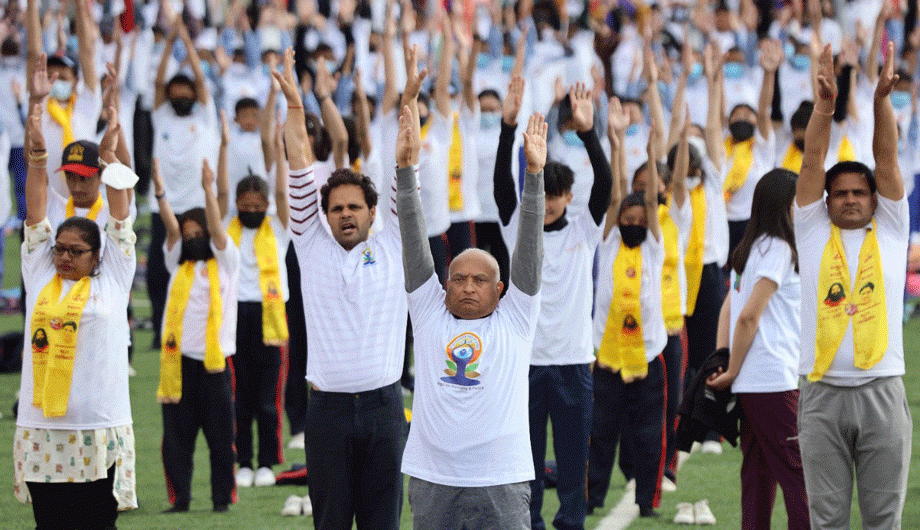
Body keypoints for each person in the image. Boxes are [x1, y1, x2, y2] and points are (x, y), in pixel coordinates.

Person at [398, 58, 548, 530]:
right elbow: (412, 237)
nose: (465, 286)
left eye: (479, 280)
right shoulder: (428, 314)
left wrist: (535, 176)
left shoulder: (516, 316)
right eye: (457, 279)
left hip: (501, 478)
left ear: (500, 290)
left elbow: (528, 251)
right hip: (432, 478)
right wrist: (406, 171)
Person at [274, 46, 407, 530]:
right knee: (330, 523)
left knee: (382, 524)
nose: (345, 214)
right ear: (323, 216)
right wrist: (294, 107)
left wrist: (407, 101)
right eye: (336, 208)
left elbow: (401, 171)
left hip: (385, 409)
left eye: (355, 206)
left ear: (373, 214)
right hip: (326, 413)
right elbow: (300, 168)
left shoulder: (393, 240)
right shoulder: (310, 244)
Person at [794, 43, 911, 529]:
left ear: (873, 198)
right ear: (825, 201)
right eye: (838, 193)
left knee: (883, 521)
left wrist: (882, 100)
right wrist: (823, 109)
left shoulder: (891, 226)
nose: (848, 200)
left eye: (858, 192)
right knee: (827, 521)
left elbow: (885, 155)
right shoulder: (812, 227)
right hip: (821, 395)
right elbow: (812, 159)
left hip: (882, 390)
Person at [15, 94, 137, 528]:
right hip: (43, 428)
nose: (65, 257)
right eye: (60, 250)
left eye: (76, 251)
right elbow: (34, 210)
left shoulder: (115, 275)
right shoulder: (39, 271)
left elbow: (121, 216)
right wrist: (37, 156)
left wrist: (109, 157)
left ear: (98, 255)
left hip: (98, 427)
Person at [494, 77, 611, 530]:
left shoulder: (585, 231)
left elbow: (605, 181)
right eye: (542, 194)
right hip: (524, 365)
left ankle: (571, 524)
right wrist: (507, 129)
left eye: (558, 195)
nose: (550, 203)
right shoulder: (516, 230)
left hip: (575, 365)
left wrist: (587, 131)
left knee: (571, 459)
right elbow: (502, 184)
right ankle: (530, 524)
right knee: (524, 459)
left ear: (567, 197)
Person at [706, 169, 810, 530]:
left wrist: (724, 360)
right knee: (800, 476)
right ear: (786, 205)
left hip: (754, 382)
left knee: (757, 475)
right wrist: (731, 369)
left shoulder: (749, 248)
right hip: (772, 380)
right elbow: (747, 316)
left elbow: (728, 308)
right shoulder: (779, 248)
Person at [155, 155, 240, 514]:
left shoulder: (225, 261)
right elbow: (171, 229)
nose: (192, 240)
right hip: (178, 367)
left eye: (198, 234)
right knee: (176, 441)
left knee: (221, 440)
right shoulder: (177, 265)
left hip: (215, 367)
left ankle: (222, 500)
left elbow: (218, 232)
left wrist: (208, 190)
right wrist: (160, 193)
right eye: (187, 236)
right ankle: (181, 501)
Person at [588, 129, 666, 519]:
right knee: (601, 432)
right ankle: (593, 495)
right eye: (626, 219)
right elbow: (617, 194)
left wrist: (651, 156)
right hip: (607, 358)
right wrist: (617, 146)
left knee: (648, 437)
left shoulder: (653, 245)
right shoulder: (609, 242)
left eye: (640, 219)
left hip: (648, 357)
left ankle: (645, 500)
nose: (633, 223)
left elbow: (649, 199)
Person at [227, 160, 290, 487]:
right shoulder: (227, 228)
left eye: (257, 206)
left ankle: (266, 462)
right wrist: (225, 149)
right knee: (240, 396)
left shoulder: (279, 228)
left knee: (267, 399)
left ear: (267, 206)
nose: (251, 210)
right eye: (244, 206)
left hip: (269, 317)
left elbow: (282, 192)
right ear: (236, 205)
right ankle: (244, 462)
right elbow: (221, 190)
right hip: (235, 316)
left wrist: (280, 153)